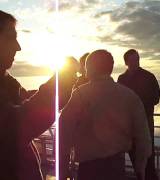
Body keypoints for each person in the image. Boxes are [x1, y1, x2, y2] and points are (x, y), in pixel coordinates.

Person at [0, 10, 74, 180]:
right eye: (11, 37)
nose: (18, 47)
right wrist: (59, 85)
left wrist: (63, 84)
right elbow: (15, 128)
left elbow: (25, 104)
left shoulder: (8, 82)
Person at [59, 49, 152, 180]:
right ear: (111, 68)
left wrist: (63, 167)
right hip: (116, 168)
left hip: (88, 169)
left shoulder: (80, 94)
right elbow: (143, 137)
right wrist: (140, 166)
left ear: (89, 69)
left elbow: (64, 131)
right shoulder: (129, 96)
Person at [117, 49, 160, 180]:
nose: (136, 62)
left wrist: (139, 103)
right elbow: (119, 100)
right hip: (129, 126)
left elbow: (156, 98)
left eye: (137, 59)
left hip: (146, 124)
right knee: (134, 156)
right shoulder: (122, 79)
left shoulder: (149, 76)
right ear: (126, 62)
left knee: (148, 156)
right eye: (133, 60)